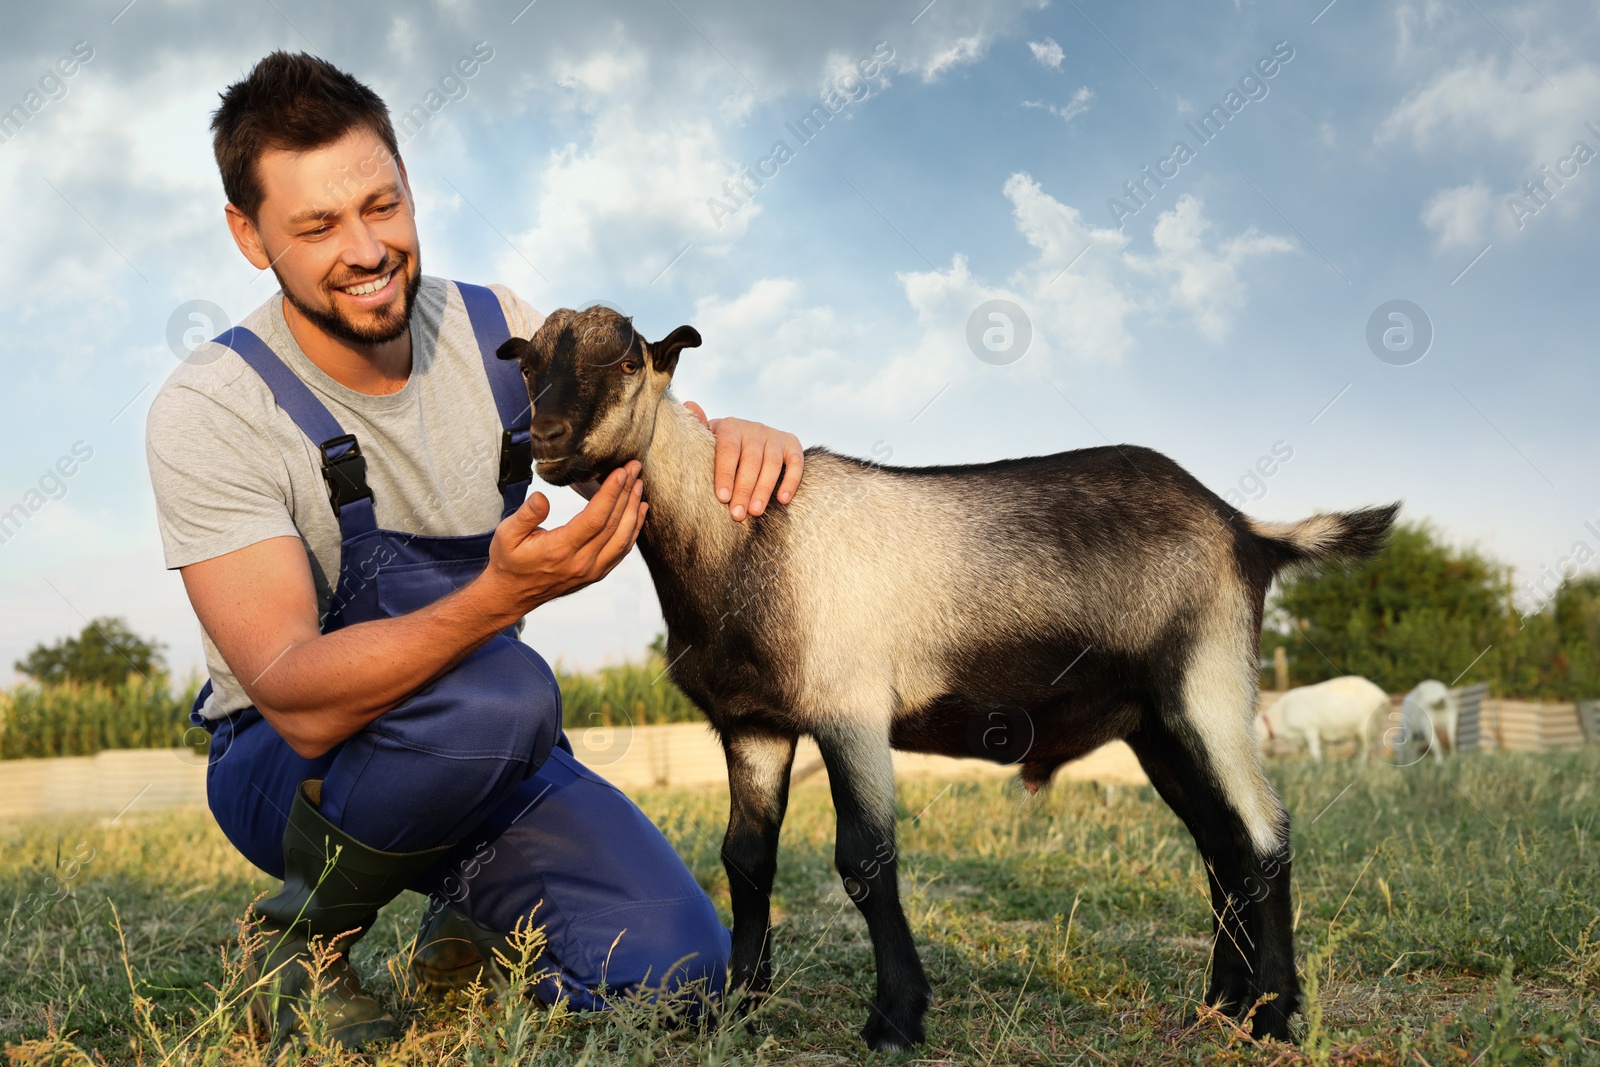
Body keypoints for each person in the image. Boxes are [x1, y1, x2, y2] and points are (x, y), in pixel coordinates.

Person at [144, 51, 805, 1051]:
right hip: (291, 764)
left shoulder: (496, 325)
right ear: (250, 235)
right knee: (505, 689)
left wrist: (728, 445)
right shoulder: (212, 407)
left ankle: (477, 927)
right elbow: (291, 687)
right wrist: (495, 602)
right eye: (317, 226)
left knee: (678, 974)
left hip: (486, 746)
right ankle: (300, 938)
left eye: (383, 205)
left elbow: (630, 437)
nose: (367, 249)